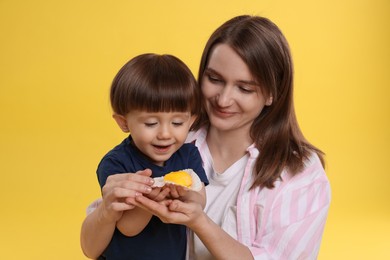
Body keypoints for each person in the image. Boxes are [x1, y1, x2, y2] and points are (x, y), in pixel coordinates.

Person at [81, 15, 331, 260]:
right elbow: (102, 239)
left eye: (244, 88)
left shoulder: (299, 174)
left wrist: (199, 221)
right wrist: (108, 210)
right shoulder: (170, 142)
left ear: (271, 94)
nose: (223, 100)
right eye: (214, 79)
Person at [80, 53, 208, 260]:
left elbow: (199, 201)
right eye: (151, 123)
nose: (165, 134)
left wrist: (182, 196)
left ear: (191, 121)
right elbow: (128, 227)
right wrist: (151, 201)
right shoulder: (117, 163)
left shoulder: (188, 155)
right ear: (124, 122)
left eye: (177, 123)